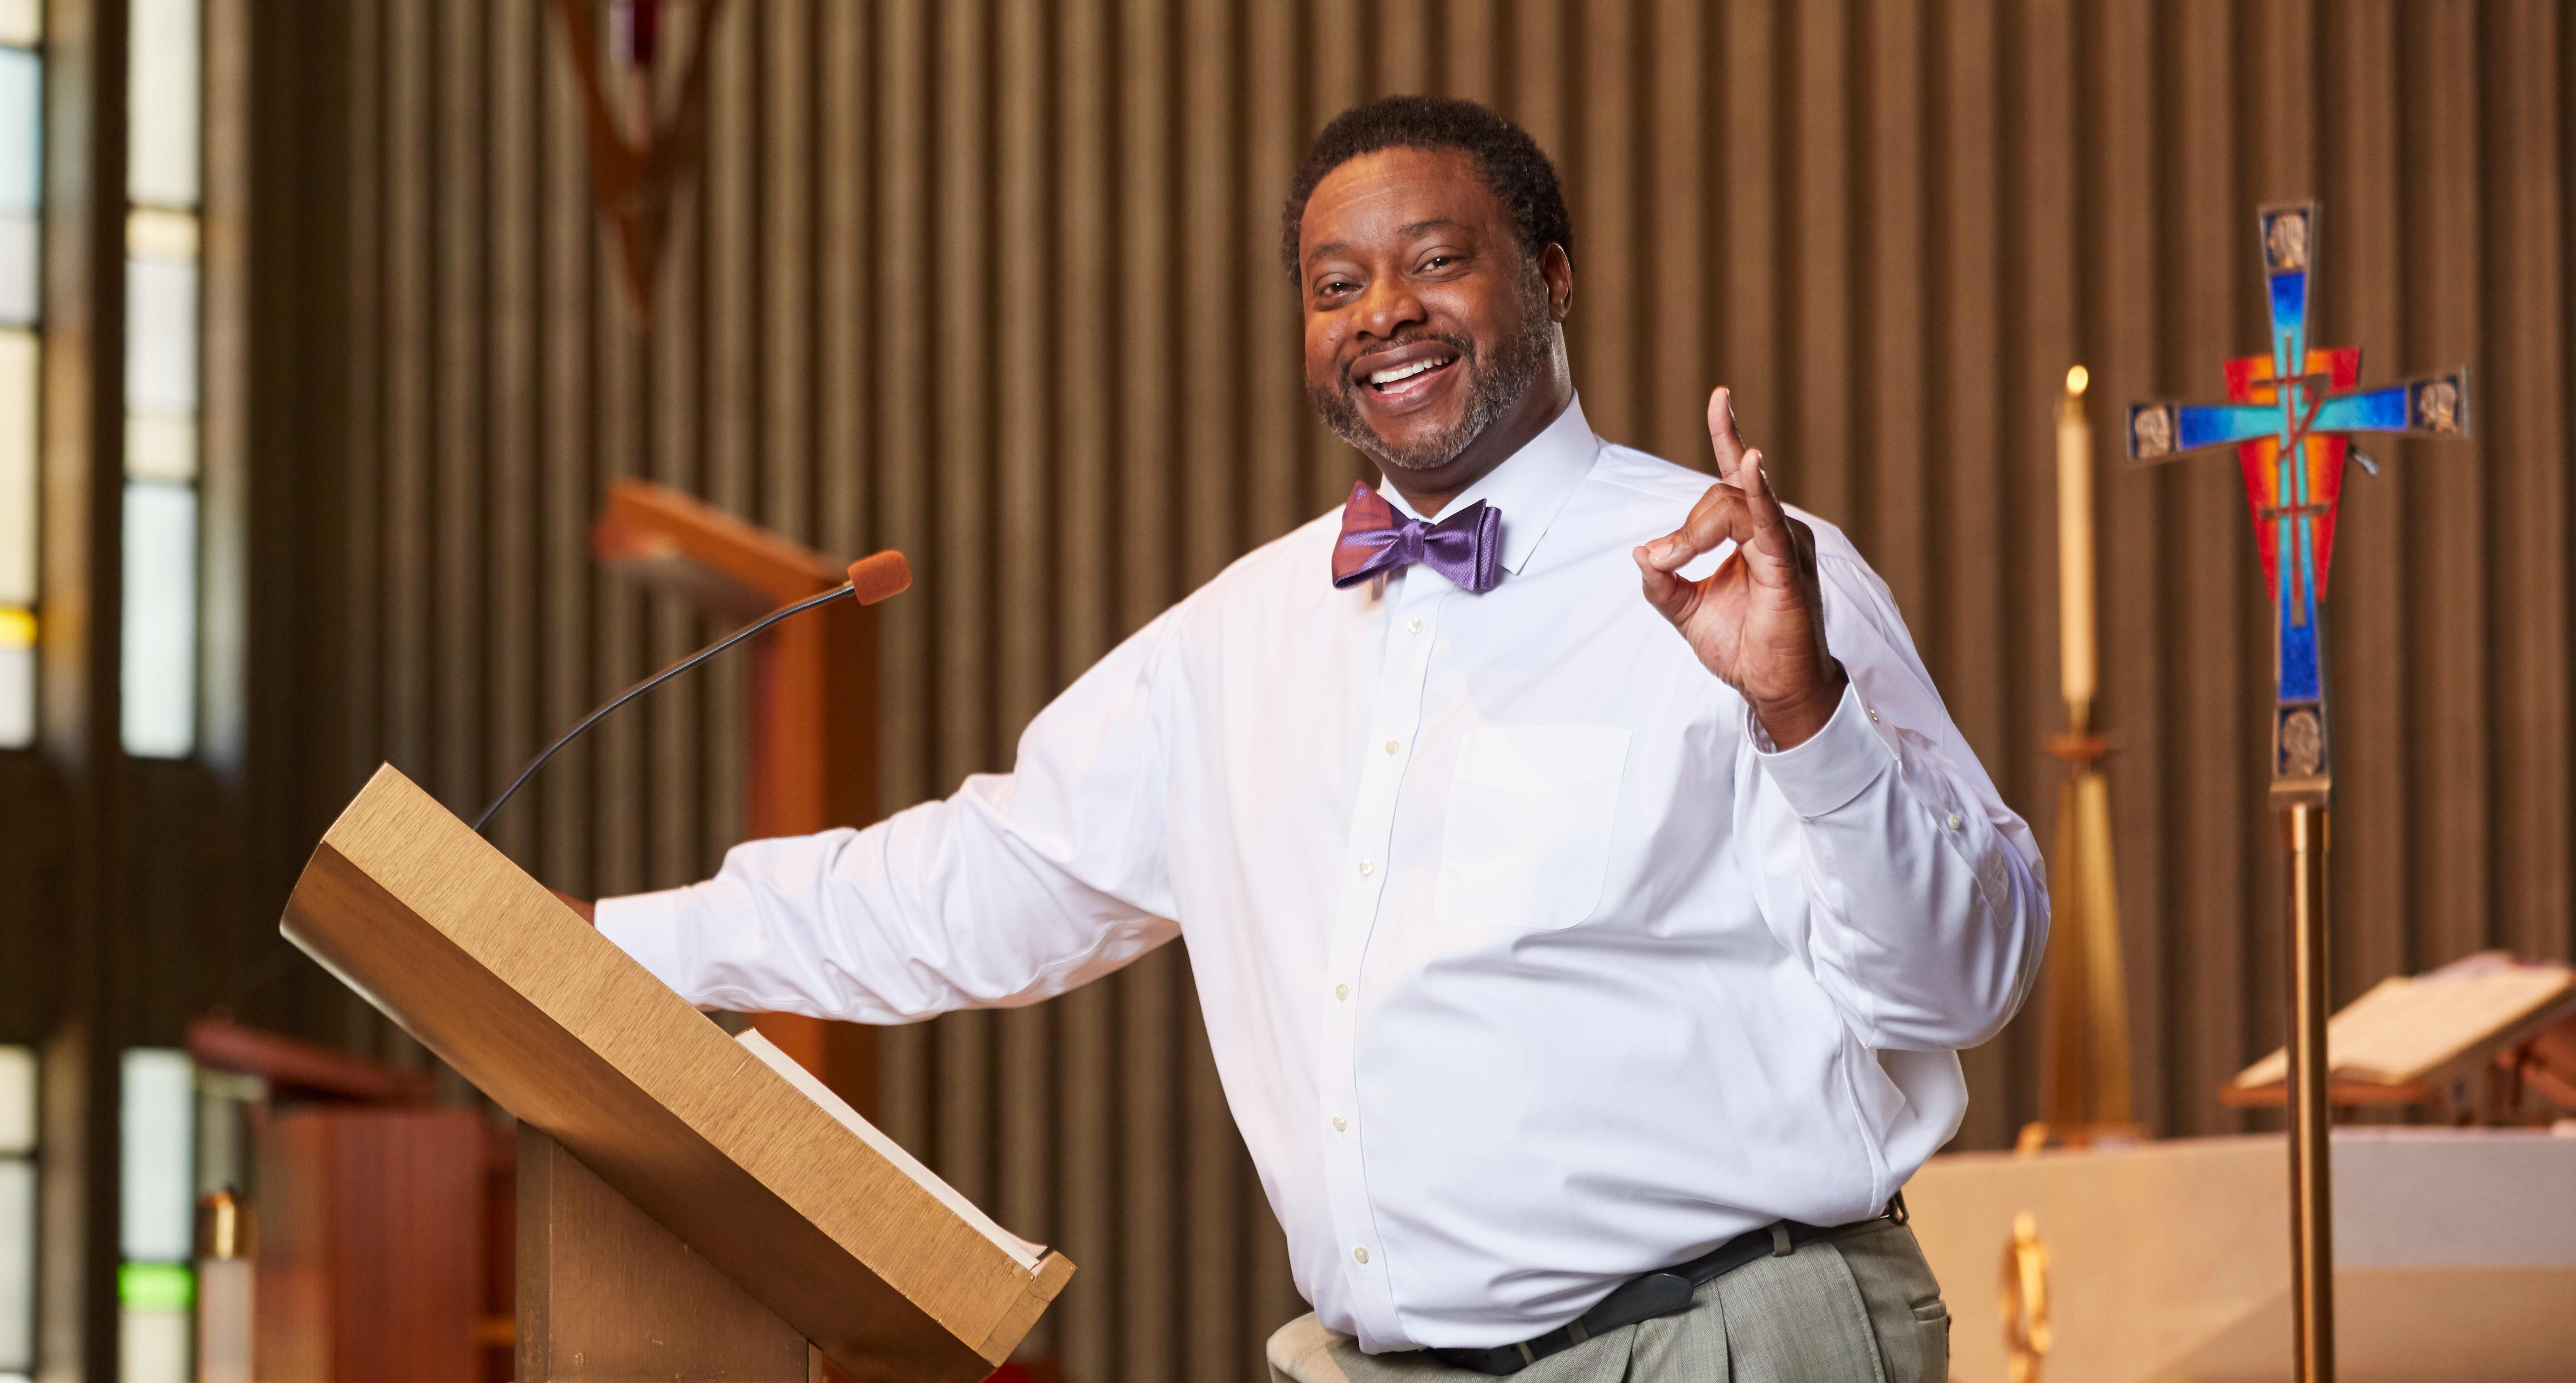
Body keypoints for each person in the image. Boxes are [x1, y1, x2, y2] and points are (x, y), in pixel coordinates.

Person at [565, 96, 2046, 1382]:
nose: (1382, 312)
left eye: (1435, 262)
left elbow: (1964, 983)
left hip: (1727, 1346)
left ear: (1551, 276)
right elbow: (976, 880)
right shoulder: (1234, 642)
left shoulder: (1750, 577)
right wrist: (605, 951)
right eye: (1336, 284)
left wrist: (1805, 715)